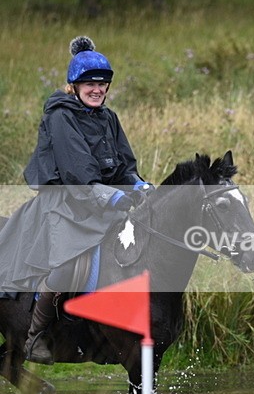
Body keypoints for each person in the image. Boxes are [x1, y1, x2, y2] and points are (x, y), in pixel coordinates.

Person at [0, 36, 152, 364]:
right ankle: (36, 336)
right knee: (69, 261)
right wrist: (112, 198)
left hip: (100, 203)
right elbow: (77, 174)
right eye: (89, 83)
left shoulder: (108, 118)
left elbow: (125, 165)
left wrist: (142, 187)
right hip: (64, 204)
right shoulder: (60, 116)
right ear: (74, 84)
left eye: (103, 83)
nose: (97, 89)